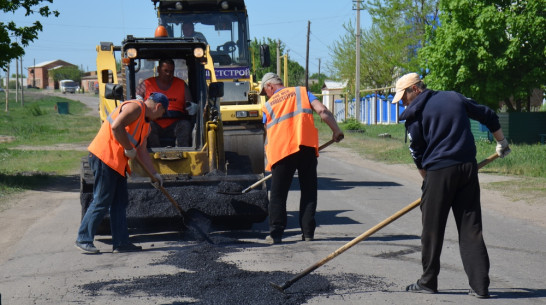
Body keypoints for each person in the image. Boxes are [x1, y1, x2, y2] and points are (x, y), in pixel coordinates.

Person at [393, 73, 511, 298]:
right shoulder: (454, 98)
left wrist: (429, 184)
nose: (403, 103)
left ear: (416, 89)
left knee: (431, 229)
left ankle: (428, 282)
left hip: (438, 171)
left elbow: (418, 154)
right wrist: (501, 141)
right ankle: (480, 286)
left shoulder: (415, 116)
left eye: (404, 97)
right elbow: (488, 114)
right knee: (471, 228)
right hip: (467, 169)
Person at [75, 92, 169, 254]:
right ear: (158, 106)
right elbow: (116, 126)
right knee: (102, 199)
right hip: (104, 157)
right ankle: (83, 238)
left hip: (117, 163)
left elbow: (141, 151)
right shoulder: (135, 108)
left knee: (119, 203)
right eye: (162, 113)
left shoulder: (145, 125)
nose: (161, 117)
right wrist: (127, 147)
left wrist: (154, 175)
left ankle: (121, 243)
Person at [259, 72, 345, 244]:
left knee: (278, 194)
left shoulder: (268, 106)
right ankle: (308, 233)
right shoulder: (302, 92)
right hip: (305, 148)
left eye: (265, 92)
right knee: (309, 191)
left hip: (282, 152)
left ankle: (275, 235)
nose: (266, 95)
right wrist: (336, 130)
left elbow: (267, 132)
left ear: (270, 86)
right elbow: (322, 110)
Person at [136, 58, 197, 147]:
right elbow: (137, 100)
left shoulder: (181, 84)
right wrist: (139, 100)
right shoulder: (146, 84)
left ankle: (183, 152)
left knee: (185, 125)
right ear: (158, 70)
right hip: (154, 123)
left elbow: (190, 104)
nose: (168, 74)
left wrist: (192, 107)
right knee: (148, 126)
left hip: (176, 123)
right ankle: (154, 153)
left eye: (171, 71)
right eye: (165, 71)